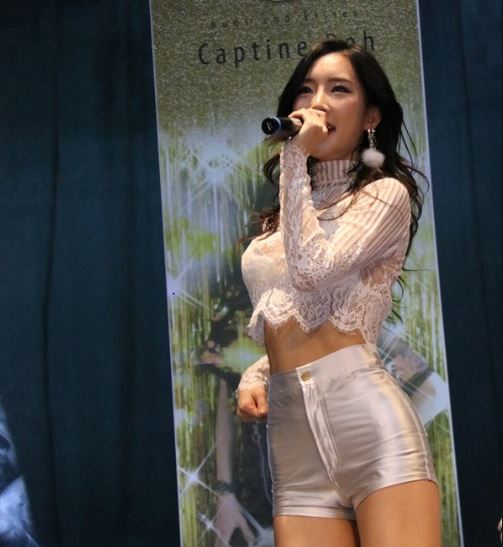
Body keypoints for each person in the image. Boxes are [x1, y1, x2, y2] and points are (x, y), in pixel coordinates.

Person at [236, 38, 441, 547]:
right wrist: (258, 370)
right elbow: (296, 311)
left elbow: (313, 272)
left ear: (371, 116)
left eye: (339, 89)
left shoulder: (384, 195)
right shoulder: (284, 218)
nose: (318, 103)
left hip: (370, 432)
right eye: (307, 90)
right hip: (294, 447)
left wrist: (294, 159)